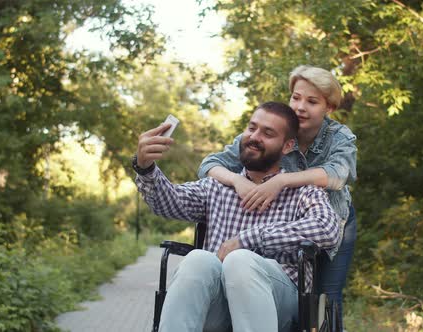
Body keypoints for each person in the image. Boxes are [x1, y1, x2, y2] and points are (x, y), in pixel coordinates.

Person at [133, 102, 341, 332]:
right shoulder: (217, 187)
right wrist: (145, 167)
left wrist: (249, 239)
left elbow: (328, 228)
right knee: (198, 259)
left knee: (241, 260)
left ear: (287, 146)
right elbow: (167, 202)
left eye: (268, 133)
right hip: (218, 304)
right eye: (252, 128)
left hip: (278, 303)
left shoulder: (302, 191)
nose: (255, 136)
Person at [198, 65, 357, 330]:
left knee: (326, 299)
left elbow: (337, 174)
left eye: (312, 101)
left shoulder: (339, 136)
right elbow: (209, 164)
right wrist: (237, 180)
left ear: (328, 108)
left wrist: (282, 180)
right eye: (296, 97)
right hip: (285, 223)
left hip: (332, 224)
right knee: (282, 290)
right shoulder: (270, 129)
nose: (300, 107)